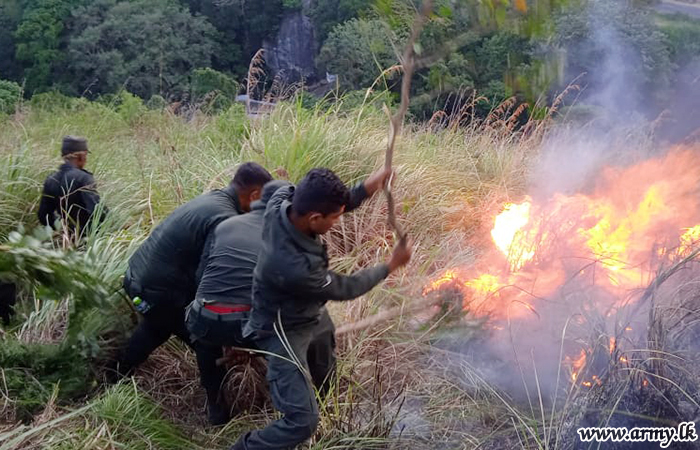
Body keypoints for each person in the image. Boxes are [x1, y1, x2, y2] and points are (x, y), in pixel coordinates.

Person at [231, 168, 412, 450]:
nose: (339, 220)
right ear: (315, 219)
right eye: (336, 218)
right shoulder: (295, 268)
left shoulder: (284, 200)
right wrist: (390, 265)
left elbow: (319, 200)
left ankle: (325, 403)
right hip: (282, 329)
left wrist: (367, 187)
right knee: (302, 421)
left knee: (324, 353)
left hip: (308, 312)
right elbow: (345, 287)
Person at [114, 162, 273, 379]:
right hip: (157, 292)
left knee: (158, 326)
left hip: (136, 279)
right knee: (207, 339)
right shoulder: (226, 220)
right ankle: (218, 409)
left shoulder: (213, 199)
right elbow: (209, 281)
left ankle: (113, 376)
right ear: (255, 195)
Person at [186, 179, 291, 425]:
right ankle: (286, 410)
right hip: (246, 321)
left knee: (205, 340)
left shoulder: (227, 224)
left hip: (203, 317)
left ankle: (216, 409)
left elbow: (202, 278)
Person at [37, 136, 106, 237]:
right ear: (81, 157)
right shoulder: (83, 178)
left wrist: (63, 230)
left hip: (65, 239)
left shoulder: (51, 179)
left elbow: (43, 215)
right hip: (87, 239)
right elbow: (97, 211)